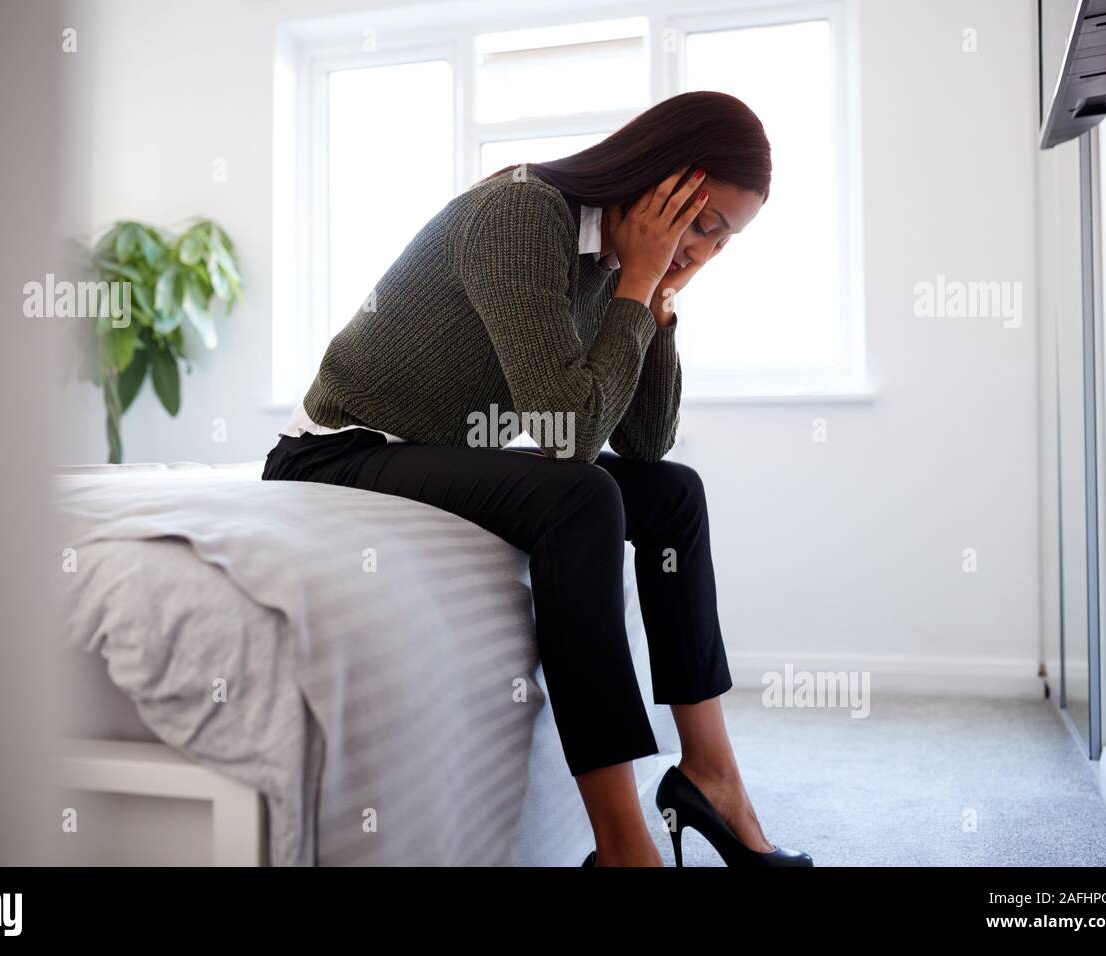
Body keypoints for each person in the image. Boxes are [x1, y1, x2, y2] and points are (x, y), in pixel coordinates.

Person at [263, 90, 812, 867]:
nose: (700, 251)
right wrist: (639, 283)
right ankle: (623, 844)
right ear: (660, 181)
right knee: (584, 496)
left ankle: (711, 775)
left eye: (723, 242)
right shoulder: (524, 216)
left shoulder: (618, 262)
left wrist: (656, 301)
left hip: (434, 444)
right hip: (335, 451)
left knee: (674, 494)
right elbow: (572, 439)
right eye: (702, 224)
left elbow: (647, 442)